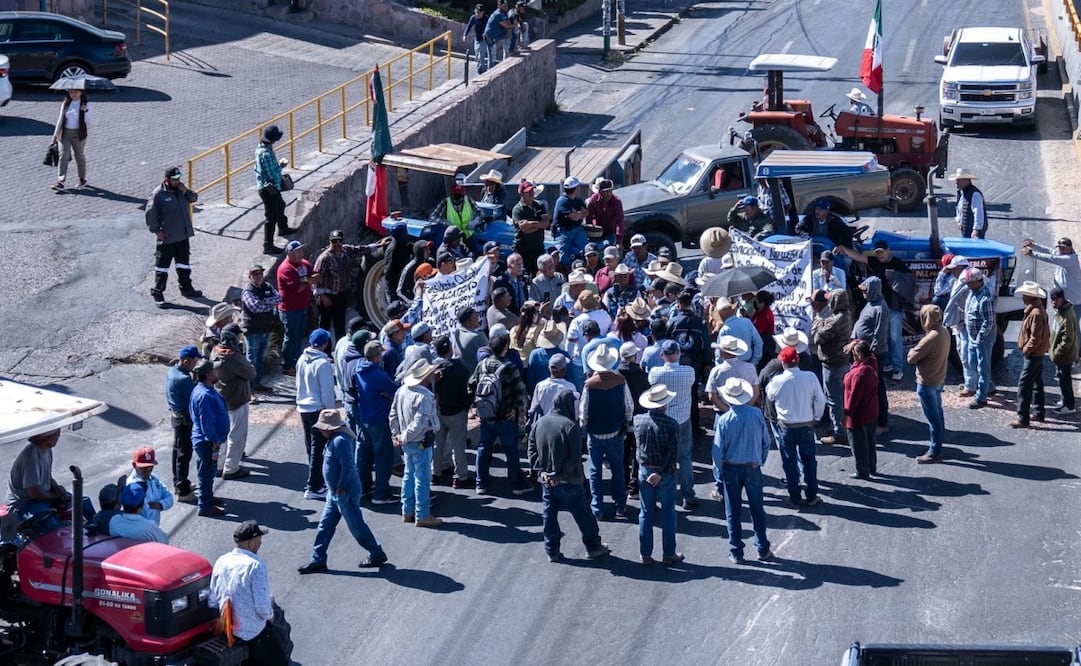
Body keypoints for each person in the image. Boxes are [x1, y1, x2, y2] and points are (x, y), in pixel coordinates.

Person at [299, 410, 389, 573]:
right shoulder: (335, 438)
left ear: (330, 428)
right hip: (335, 493)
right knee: (325, 526)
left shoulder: (340, 441)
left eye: (323, 428)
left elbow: (348, 467)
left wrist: (340, 486)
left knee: (356, 526)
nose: (320, 430)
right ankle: (317, 558)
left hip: (343, 492)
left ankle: (376, 552)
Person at [529, 389, 611, 563]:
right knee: (583, 516)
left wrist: (542, 473)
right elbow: (574, 458)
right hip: (569, 482)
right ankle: (593, 547)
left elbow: (532, 450)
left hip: (547, 482)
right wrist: (559, 476)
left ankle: (552, 551)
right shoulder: (570, 426)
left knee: (549, 517)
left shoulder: (539, 423)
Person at [713, 377, 774, 564]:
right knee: (757, 509)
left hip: (731, 469)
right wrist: (760, 460)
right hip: (753, 467)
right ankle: (762, 548)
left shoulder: (724, 421)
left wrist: (719, 475)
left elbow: (717, 451)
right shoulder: (756, 415)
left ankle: (736, 551)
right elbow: (766, 442)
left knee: (733, 512)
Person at [210, 521, 288, 665]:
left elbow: (213, 600)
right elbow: (262, 607)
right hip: (254, 634)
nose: (261, 543)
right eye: (259, 539)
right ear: (251, 542)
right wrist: (271, 618)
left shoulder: (221, 561)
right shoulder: (255, 565)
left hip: (230, 633)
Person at [468, 331, 533, 496]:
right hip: (506, 416)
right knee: (511, 450)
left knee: (483, 447)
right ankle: (517, 484)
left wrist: (477, 406)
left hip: (486, 416)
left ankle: (480, 483)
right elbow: (520, 392)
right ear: (505, 347)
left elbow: (471, 385)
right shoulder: (509, 367)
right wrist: (517, 410)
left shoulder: (481, 365)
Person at [839, 240, 912, 381]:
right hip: (878, 305)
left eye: (881, 252)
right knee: (883, 336)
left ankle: (898, 368)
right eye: (877, 252)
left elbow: (909, 282)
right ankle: (889, 363)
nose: (879, 255)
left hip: (894, 307)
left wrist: (895, 278)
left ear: (888, 250)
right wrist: (843, 247)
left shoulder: (898, 264)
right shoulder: (875, 262)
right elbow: (858, 256)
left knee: (895, 338)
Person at [766, 346, 826, 508]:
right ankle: (812, 495)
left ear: (782, 362)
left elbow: (770, 395)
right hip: (806, 425)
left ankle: (795, 497)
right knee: (809, 461)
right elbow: (820, 400)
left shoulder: (777, 381)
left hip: (787, 427)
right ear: (797, 360)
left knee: (790, 463)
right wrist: (816, 417)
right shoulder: (810, 377)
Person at [580, 344, 634, 520]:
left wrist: (585, 426)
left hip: (595, 433)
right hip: (615, 431)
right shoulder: (620, 381)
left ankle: (598, 508)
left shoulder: (589, 385)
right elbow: (629, 406)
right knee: (618, 468)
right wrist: (626, 422)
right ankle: (620, 505)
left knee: (595, 470)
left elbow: (583, 411)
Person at [633, 384, 684, 565]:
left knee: (646, 513)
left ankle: (645, 553)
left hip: (644, 470)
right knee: (668, 513)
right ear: (664, 404)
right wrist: (661, 473)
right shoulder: (671, 424)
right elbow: (673, 453)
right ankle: (668, 553)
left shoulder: (638, 420)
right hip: (665, 473)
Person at [390, 360, 443, 528]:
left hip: (406, 442)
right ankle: (422, 514)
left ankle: (407, 511)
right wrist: (404, 437)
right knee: (422, 478)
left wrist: (396, 435)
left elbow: (393, 415)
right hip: (419, 441)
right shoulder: (424, 396)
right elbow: (419, 423)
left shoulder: (401, 391)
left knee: (408, 476)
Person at [647, 341, 698, 511]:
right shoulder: (688, 372)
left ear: (662, 355)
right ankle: (688, 497)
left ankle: (663, 495)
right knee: (684, 458)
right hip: (682, 421)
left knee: (661, 458)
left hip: (663, 420)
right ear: (678, 353)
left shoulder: (655, 373)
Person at [145, 166, 201, 307]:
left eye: (178, 178)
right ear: (167, 180)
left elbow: (194, 198)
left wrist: (185, 190)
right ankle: (158, 293)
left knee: (183, 265)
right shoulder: (158, 194)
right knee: (162, 268)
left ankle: (186, 289)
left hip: (182, 236)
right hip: (167, 239)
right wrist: (157, 231)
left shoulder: (181, 190)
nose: (177, 181)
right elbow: (150, 215)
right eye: (174, 179)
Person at [354, 341, 400, 504]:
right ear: (378, 356)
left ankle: (364, 487)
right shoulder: (378, 375)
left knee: (365, 455)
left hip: (364, 417)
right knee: (383, 457)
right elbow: (395, 391)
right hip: (380, 419)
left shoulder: (359, 369)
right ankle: (381, 493)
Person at [209, 329, 256, 480]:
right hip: (236, 400)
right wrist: (241, 355)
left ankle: (219, 465)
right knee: (237, 435)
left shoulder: (215, 353)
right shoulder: (233, 357)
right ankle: (231, 468)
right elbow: (251, 373)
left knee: (222, 435)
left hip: (221, 398)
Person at [3, 429, 67, 539]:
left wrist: (58, 490)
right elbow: (34, 493)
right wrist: (54, 495)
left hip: (39, 498)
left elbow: (47, 477)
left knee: (80, 502)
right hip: (23, 504)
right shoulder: (31, 456)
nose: (59, 435)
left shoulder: (47, 450)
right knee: (50, 522)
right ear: (48, 437)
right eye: (57, 433)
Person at [314, 230, 376, 340]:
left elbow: (359, 249)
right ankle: (325, 352)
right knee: (324, 327)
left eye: (339, 241)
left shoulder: (345, 250)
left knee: (340, 324)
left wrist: (378, 245)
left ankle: (339, 349)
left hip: (341, 295)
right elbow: (316, 278)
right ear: (329, 242)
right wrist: (322, 297)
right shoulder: (324, 258)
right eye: (334, 241)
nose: (337, 244)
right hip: (327, 297)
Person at [907, 305, 951, 463]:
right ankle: (938, 444)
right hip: (939, 379)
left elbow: (911, 358)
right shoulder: (944, 331)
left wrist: (913, 349)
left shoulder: (930, 338)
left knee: (933, 418)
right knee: (938, 414)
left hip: (927, 382)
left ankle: (935, 450)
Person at [297, 329, 336, 500]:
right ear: (326, 344)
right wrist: (331, 411)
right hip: (318, 409)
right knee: (318, 448)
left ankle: (316, 480)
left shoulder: (301, 359)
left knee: (310, 446)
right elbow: (327, 392)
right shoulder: (323, 364)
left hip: (303, 408)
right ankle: (314, 486)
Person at [432, 335, 474, 489]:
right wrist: (466, 406)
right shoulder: (460, 368)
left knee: (438, 444)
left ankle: (435, 474)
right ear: (450, 349)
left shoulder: (433, 369)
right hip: (457, 413)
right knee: (458, 446)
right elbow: (467, 392)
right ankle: (461, 477)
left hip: (439, 412)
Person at [811, 290, 852, 445]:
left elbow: (818, 338)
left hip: (832, 363)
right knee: (840, 398)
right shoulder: (847, 314)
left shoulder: (836, 321)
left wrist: (822, 324)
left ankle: (839, 433)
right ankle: (841, 427)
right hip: (841, 361)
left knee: (833, 399)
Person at [189, 360, 228, 517]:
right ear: (207, 375)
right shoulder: (204, 395)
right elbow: (207, 422)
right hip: (208, 442)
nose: (216, 373)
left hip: (208, 440)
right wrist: (214, 440)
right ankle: (205, 506)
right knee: (206, 472)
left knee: (208, 470)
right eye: (214, 371)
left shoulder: (205, 390)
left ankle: (208, 497)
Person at [851, 276, 890, 431]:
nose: (863, 294)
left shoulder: (881, 308)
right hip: (862, 351)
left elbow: (879, 334)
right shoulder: (870, 304)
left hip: (874, 354)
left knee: (877, 387)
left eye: (866, 290)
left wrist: (869, 354)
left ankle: (882, 422)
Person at [253, 124, 299, 254]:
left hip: (269, 188)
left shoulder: (261, 149)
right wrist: (281, 165)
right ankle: (268, 245)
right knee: (271, 217)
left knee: (280, 205)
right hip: (269, 189)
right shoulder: (266, 154)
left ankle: (283, 227)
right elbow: (271, 173)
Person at [1012, 282, 1050, 428]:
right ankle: (1038, 411)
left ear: (1030, 297)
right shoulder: (1037, 310)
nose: (1022, 298)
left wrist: (1027, 349)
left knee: (1024, 384)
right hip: (1037, 353)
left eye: (1024, 295)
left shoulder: (1035, 313)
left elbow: (1035, 337)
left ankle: (1022, 417)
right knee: (1036, 382)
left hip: (1034, 354)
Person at [165, 345, 201, 499]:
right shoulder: (184, 379)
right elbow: (193, 398)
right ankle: (182, 490)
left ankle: (180, 482)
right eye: (194, 361)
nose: (195, 364)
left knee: (178, 451)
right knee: (184, 454)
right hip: (184, 419)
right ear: (186, 361)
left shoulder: (173, 371)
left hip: (176, 416)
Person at [276, 240, 316, 375]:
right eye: (297, 251)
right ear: (290, 253)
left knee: (299, 336)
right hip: (289, 309)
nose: (301, 254)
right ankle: (287, 365)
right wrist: (307, 281)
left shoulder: (304, 263)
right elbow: (297, 288)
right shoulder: (285, 268)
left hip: (303, 306)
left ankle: (297, 361)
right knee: (291, 337)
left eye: (301, 251)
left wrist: (306, 280)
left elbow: (316, 276)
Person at [240, 264, 280, 392]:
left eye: (260, 273)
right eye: (255, 274)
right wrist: (269, 302)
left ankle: (257, 383)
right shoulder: (248, 292)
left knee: (260, 360)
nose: (258, 276)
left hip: (265, 329)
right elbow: (255, 308)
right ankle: (249, 389)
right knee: (251, 361)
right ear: (250, 276)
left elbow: (279, 298)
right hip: (252, 331)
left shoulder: (267, 287)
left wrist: (263, 301)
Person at [843, 340, 880, 475]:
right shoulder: (873, 362)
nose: (852, 355)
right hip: (871, 410)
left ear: (859, 354)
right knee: (870, 440)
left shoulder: (859, 374)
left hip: (858, 415)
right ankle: (871, 466)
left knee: (858, 444)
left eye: (854, 353)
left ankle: (862, 470)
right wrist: (854, 344)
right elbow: (863, 342)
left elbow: (854, 397)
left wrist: (847, 414)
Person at [962, 268, 996, 409]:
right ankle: (989, 386)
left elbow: (989, 322)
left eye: (970, 282)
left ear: (978, 282)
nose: (968, 285)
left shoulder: (985, 298)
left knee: (983, 367)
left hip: (983, 338)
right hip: (973, 335)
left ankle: (981, 397)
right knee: (972, 361)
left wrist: (979, 338)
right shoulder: (972, 293)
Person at [51, 88, 91, 191]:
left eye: (76, 92)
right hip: (65, 134)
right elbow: (60, 119)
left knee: (79, 155)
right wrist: (55, 135)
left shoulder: (85, 104)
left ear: (81, 93)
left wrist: (85, 111)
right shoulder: (66, 103)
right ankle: (60, 181)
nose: (73, 94)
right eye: (71, 91)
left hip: (79, 135)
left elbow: (90, 121)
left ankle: (82, 178)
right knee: (63, 155)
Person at [1023, 237, 1081, 307]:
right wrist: (1033, 245)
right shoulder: (1062, 255)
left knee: (1071, 318)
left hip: (1073, 302)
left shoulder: (1071, 259)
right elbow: (1049, 251)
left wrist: (1032, 253)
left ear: (1071, 248)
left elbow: (1052, 258)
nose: (1061, 250)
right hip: (1062, 300)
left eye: (1063, 248)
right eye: (1060, 248)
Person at [430, 177, 481, 252]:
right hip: (454, 239)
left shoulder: (469, 200)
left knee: (475, 255)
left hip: (468, 236)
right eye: (457, 195)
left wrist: (476, 221)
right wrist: (446, 223)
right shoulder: (446, 202)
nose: (459, 197)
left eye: (461, 194)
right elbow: (433, 216)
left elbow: (480, 212)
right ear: (452, 194)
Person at [126, 446, 174, 525]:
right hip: (140, 532)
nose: (148, 470)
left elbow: (170, 498)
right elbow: (145, 513)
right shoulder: (131, 486)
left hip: (153, 528)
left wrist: (159, 504)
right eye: (144, 467)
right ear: (134, 465)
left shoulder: (154, 478)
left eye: (150, 467)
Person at [1050, 288, 1078, 415]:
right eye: (1052, 300)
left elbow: (1068, 339)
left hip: (1064, 355)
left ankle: (1069, 405)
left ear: (1061, 299)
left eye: (1055, 300)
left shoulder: (1066, 315)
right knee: (1062, 378)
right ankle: (1064, 400)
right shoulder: (1061, 311)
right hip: (1061, 354)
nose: (1053, 303)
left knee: (1065, 379)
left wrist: (1057, 352)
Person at [512, 179, 550, 275]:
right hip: (523, 249)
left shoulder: (540, 205)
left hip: (538, 247)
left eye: (532, 190)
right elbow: (524, 230)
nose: (531, 193)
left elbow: (546, 223)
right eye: (528, 191)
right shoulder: (517, 210)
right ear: (522, 194)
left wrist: (530, 224)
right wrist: (539, 225)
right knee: (524, 274)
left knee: (540, 273)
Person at [714, 300, 763, 366]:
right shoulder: (747, 322)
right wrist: (754, 362)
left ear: (720, 315)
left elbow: (719, 356)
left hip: (731, 367)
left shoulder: (724, 331)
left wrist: (720, 368)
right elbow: (759, 342)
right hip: (748, 363)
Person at [946, 168, 986, 239]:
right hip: (966, 231)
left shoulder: (975, 194)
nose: (956, 182)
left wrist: (976, 230)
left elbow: (978, 213)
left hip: (973, 233)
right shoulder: (963, 193)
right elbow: (959, 208)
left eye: (958, 180)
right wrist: (959, 221)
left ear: (966, 180)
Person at [585, 178, 625, 247]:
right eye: (605, 192)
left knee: (607, 245)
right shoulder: (593, 200)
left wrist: (619, 240)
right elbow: (589, 218)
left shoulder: (616, 202)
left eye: (610, 191)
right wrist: (591, 232)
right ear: (599, 192)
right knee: (592, 247)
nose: (608, 194)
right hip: (596, 232)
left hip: (610, 232)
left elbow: (619, 222)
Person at [451, 306, 488, 374]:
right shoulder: (478, 336)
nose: (478, 318)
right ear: (469, 321)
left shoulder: (457, 333)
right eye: (475, 316)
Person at [483, 0, 514, 68]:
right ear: (499, 6)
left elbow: (508, 23)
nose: (505, 7)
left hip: (497, 35)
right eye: (503, 6)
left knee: (510, 33)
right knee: (491, 56)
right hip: (490, 36)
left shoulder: (504, 13)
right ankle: (489, 71)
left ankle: (508, 53)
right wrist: (514, 25)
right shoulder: (498, 14)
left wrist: (510, 28)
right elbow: (506, 25)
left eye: (506, 6)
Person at [463, 3, 490, 74]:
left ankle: (481, 71)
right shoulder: (473, 18)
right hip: (477, 39)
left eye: (479, 12)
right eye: (476, 12)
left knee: (481, 55)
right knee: (477, 56)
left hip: (484, 40)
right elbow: (469, 26)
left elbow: (490, 28)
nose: (477, 14)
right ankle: (481, 69)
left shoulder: (486, 19)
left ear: (482, 12)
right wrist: (465, 35)